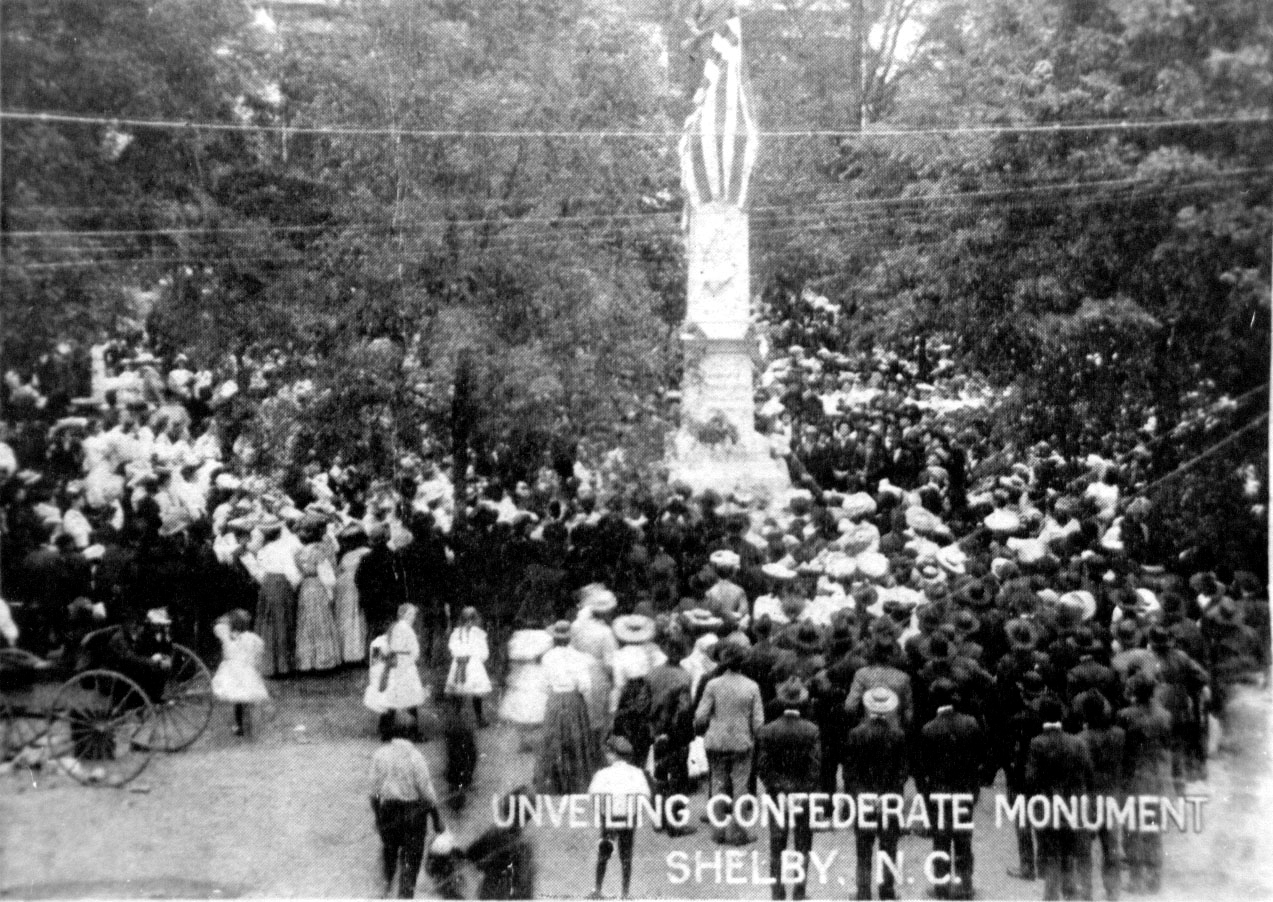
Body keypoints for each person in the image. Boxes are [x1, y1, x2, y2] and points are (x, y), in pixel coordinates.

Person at [916, 678, 984, 900]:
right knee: (964, 839)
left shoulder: (928, 729)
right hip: (964, 790)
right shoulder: (971, 723)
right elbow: (979, 758)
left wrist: (926, 794)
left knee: (941, 840)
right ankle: (965, 885)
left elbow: (922, 767)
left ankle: (941, 887)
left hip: (939, 792)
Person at [755, 677, 821, 901]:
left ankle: (777, 892)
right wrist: (803, 790)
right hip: (804, 794)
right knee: (802, 844)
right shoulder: (811, 730)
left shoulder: (767, 731)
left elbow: (763, 767)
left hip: (778, 794)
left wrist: (778, 787)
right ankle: (799, 892)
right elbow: (815, 768)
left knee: (777, 843)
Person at [694, 640, 764, 845]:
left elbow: (700, 716)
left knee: (718, 783)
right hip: (742, 742)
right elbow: (759, 722)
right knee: (740, 787)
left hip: (716, 741)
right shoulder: (752, 686)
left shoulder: (713, 685)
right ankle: (738, 832)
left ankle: (718, 831)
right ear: (742, 663)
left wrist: (707, 727)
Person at [369, 711, 445, 899]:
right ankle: (405, 895)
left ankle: (386, 889)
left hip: (388, 812)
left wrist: (379, 818)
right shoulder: (416, 757)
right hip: (414, 815)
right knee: (411, 861)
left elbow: (374, 792)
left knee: (389, 852)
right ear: (411, 733)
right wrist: (436, 819)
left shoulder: (380, 755)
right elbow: (427, 792)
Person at [1026, 696, 1094, 901]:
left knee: (1052, 857)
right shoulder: (1077, 742)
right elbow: (1089, 774)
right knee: (1069, 856)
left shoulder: (1037, 743)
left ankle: (1051, 897)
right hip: (1073, 807)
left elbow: (1031, 780)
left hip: (1049, 808)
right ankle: (1071, 895)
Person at [844, 686, 908, 900]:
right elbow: (902, 771)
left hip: (864, 798)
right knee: (888, 846)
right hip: (889, 798)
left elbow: (849, 773)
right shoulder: (898, 735)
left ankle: (863, 892)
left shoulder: (856, 734)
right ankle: (887, 891)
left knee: (863, 848)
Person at [1117, 672, 1172, 894]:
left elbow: (1121, 747)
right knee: (1153, 832)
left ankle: (1135, 880)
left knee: (1131, 831)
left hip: (1132, 778)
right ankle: (1154, 879)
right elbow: (1167, 745)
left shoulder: (1124, 715)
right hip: (1156, 776)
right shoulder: (1164, 715)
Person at [535, 620, 600, 794]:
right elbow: (585, 686)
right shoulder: (578, 657)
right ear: (570, 638)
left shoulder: (547, 657)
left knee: (554, 739)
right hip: (573, 701)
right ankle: (576, 781)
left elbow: (543, 686)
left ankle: (555, 781)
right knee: (575, 739)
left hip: (555, 701)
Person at [587, 735, 651, 900]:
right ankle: (625, 893)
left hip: (608, 818)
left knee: (604, 852)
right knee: (626, 856)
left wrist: (601, 810)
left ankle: (598, 889)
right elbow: (645, 795)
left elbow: (593, 794)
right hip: (628, 818)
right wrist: (635, 809)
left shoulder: (602, 774)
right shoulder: (637, 773)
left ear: (613, 755)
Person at [365, 603, 429, 740]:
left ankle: (387, 731)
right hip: (405, 665)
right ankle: (413, 732)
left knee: (392, 696)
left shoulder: (393, 629)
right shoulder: (407, 630)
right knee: (411, 697)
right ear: (403, 615)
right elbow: (415, 650)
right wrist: (411, 658)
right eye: (411, 614)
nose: (413, 617)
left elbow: (386, 648)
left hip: (395, 664)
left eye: (414, 615)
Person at [466, 787, 538, 900]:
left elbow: (471, 856)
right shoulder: (526, 846)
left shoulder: (494, 834)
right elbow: (525, 884)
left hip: (491, 893)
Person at [210, 608, 269, 738]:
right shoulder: (252, 639)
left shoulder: (229, 639)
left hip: (235, 674)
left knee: (238, 701)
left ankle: (239, 726)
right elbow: (258, 654)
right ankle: (248, 725)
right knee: (247, 700)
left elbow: (219, 628)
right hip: (247, 674)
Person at [293, 519, 341, 672]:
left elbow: (299, 572)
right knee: (321, 621)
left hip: (305, 587)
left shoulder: (298, 553)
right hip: (318, 586)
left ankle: (308, 661)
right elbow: (328, 578)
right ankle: (323, 659)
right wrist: (331, 590)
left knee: (307, 622)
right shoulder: (319, 552)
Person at [445, 606, 492, 727]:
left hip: (474, 664)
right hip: (460, 662)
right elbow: (452, 647)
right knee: (459, 691)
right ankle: (455, 719)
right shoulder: (457, 632)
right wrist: (460, 655)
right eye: (467, 620)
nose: (469, 622)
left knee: (476, 692)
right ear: (463, 620)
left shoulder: (478, 633)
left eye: (472, 619)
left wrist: (478, 657)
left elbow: (483, 650)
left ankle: (479, 718)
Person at [333, 523, 371, 664]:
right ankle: (356, 652)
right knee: (355, 617)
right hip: (353, 586)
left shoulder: (347, 556)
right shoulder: (365, 552)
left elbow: (339, 571)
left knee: (348, 617)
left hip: (346, 586)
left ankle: (349, 652)